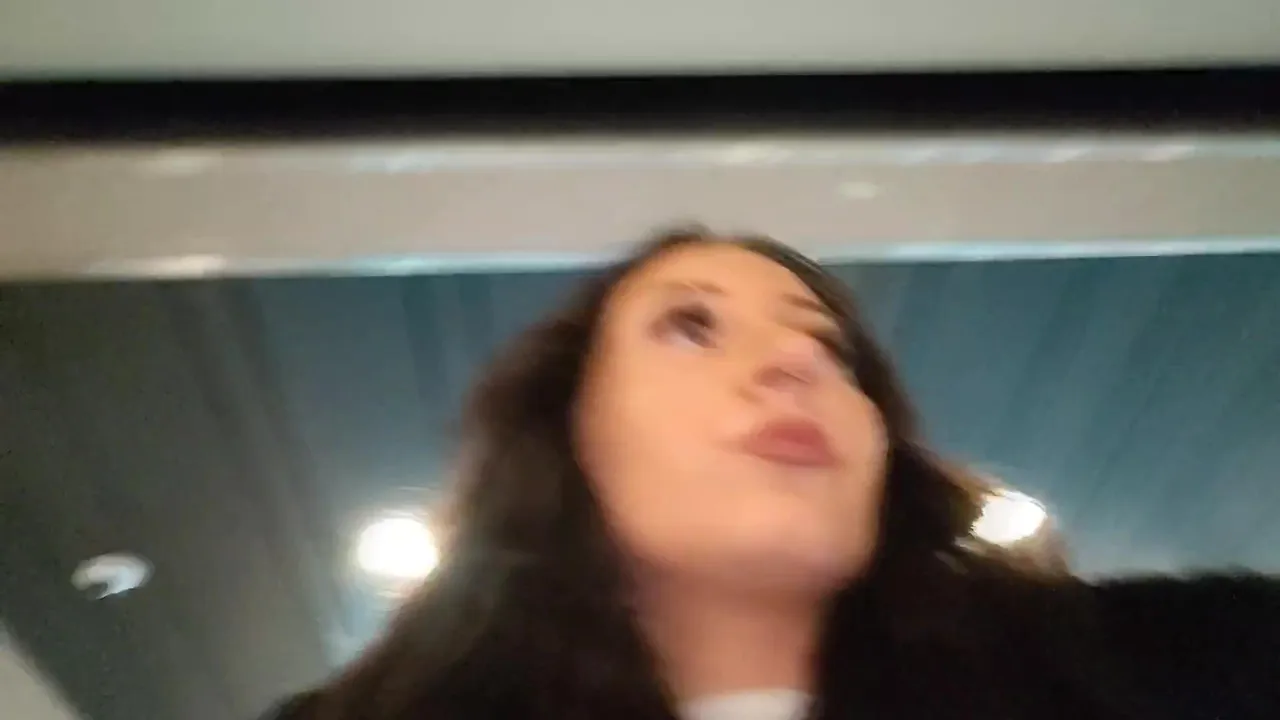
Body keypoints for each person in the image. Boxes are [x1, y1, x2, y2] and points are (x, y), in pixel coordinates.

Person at [267, 229, 1279, 720]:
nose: (797, 360)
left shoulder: (1178, 673)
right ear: (569, 435)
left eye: (829, 346)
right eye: (690, 325)